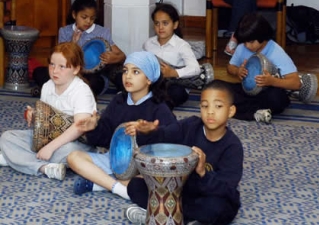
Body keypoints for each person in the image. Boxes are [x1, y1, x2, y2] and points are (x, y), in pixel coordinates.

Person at [124, 79, 244, 225]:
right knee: (135, 186)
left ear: (230, 111)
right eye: (205, 106)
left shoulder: (232, 146)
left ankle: (160, 215)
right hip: (180, 192)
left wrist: (203, 173)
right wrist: (150, 130)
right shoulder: (191, 125)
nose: (210, 112)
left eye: (218, 106)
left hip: (209, 195)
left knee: (218, 208)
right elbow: (164, 136)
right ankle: (179, 218)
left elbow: (226, 188)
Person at [66, 51, 177, 200]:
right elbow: (105, 140)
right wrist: (94, 127)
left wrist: (152, 130)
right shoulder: (118, 101)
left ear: (149, 79)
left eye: (136, 72)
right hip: (114, 160)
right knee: (74, 158)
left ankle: (100, 183)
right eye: (125, 71)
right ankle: (120, 189)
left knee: (158, 181)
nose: (128, 76)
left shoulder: (159, 107)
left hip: (142, 167)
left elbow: (174, 141)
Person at [0, 42, 97, 180]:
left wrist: (50, 147)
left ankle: (15, 159)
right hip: (48, 138)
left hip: (75, 143)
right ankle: (44, 168)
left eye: (62, 67)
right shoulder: (47, 86)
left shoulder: (82, 91)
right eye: (52, 64)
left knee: (66, 153)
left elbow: (79, 128)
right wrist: (35, 116)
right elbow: (46, 120)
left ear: (76, 69)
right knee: (7, 138)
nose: (55, 71)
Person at [32, 0, 126, 97]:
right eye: (84, 17)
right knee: (39, 72)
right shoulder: (65, 32)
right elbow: (60, 58)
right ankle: (65, 91)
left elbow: (122, 56)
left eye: (92, 18)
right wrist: (73, 43)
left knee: (95, 82)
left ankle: (56, 90)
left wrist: (112, 58)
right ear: (74, 15)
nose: (88, 21)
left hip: (88, 76)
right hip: (67, 73)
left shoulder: (102, 32)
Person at [225, 12, 301, 123]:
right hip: (247, 92)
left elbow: (296, 83)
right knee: (214, 87)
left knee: (277, 99)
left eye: (251, 42)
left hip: (267, 94)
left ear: (262, 36)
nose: (247, 45)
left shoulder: (276, 51)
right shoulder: (242, 48)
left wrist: (272, 81)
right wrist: (237, 71)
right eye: (244, 41)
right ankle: (256, 113)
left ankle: (238, 109)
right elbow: (230, 67)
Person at [143, 3, 201, 109]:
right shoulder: (148, 44)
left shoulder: (182, 45)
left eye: (165, 23)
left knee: (176, 92)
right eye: (157, 23)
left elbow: (195, 68)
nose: (160, 27)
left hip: (174, 84)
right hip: (154, 83)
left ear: (175, 25)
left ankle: (159, 107)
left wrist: (173, 72)